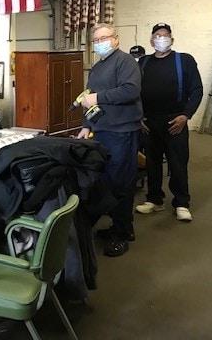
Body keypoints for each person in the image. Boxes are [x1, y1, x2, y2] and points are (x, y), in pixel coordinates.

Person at [77, 23, 142, 257]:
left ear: (116, 39)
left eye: (104, 38)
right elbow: (88, 98)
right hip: (103, 131)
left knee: (121, 182)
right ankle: (120, 226)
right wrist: (86, 125)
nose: (100, 42)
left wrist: (98, 96)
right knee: (107, 181)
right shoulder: (97, 67)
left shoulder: (125, 62)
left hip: (122, 131)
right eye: (96, 40)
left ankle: (122, 233)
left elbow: (130, 91)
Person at [135, 23, 203, 222]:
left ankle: (181, 203)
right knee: (153, 162)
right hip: (149, 121)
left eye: (165, 36)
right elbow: (134, 92)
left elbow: (196, 90)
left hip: (176, 120)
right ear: (151, 40)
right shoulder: (143, 62)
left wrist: (186, 115)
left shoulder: (185, 61)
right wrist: (139, 116)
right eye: (157, 35)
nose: (161, 39)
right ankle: (154, 200)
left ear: (171, 40)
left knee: (178, 163)